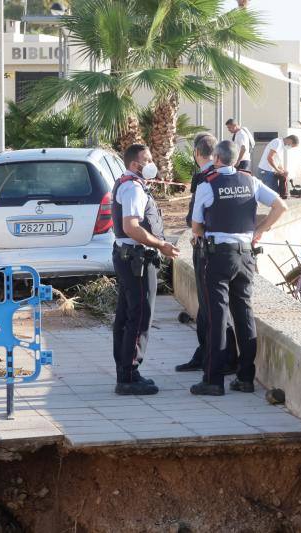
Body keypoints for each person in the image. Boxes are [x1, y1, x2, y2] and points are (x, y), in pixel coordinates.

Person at [190, 140, 288, 395]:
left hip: (218, 256)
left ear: (216, 158)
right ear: (235, 159)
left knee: (217, 317)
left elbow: (196, 226)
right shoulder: (251, 181)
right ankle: (245, 378)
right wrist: (259, 230)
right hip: (246, 255)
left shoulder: (207, 183)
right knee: (244, 315)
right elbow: (281, 206)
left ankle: (213, 381)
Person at [112, 144, 180, 395]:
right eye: (147, 159)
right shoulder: (132, 188)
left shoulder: (130, 183)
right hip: (136, 260)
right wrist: (161, 244)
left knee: (127, 315)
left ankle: (126, 372)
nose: (152, 163)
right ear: (134, 164)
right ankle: (128, 376)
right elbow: (131, 227)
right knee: (139, 317)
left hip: (129, 257)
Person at [175, 133, 218, 372]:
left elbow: (195, 218)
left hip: (206, 248)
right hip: (232, 249)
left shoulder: (203, 178)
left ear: (197, 154)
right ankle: (209, 354)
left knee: (207, 305)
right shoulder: (236, 175)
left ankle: (208, 356)